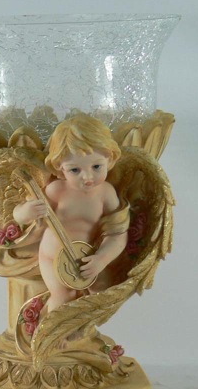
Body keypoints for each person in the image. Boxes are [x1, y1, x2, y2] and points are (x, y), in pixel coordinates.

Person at [13, 114, 129, 312]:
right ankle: (49, 330)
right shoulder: (57, 191)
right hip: (52, 257)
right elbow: (19, 217)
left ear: (109, 158)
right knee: (62, 296)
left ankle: (82, 329)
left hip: (86, 258)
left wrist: (101, 259)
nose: (88, 177)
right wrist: (27, 212)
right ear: (60, 167)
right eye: (75, 170)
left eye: (96, 166)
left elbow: (117, 234)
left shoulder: (106, 194)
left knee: (102, 295)